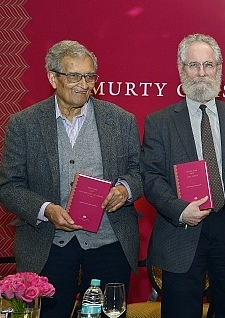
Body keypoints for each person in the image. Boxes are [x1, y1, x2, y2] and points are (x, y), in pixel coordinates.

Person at [0, 40, 142, 318]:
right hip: (48, 244)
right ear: (53, 78)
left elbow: (139, 172)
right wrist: (46, 210)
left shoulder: (121, 120)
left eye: (89, 76)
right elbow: (9, 187)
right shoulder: (24, 124)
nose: (83, 84)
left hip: (109, 244)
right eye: (74, 75)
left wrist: (125, 190)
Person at [140, 33, 225, 317]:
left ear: (219, 69)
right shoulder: (159, 122)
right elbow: (151, 177)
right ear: (181, 70)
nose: (201, 73)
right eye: (193, 65)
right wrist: (180, 209)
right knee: (181, 311)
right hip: (181, 227)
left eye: (208, 65)